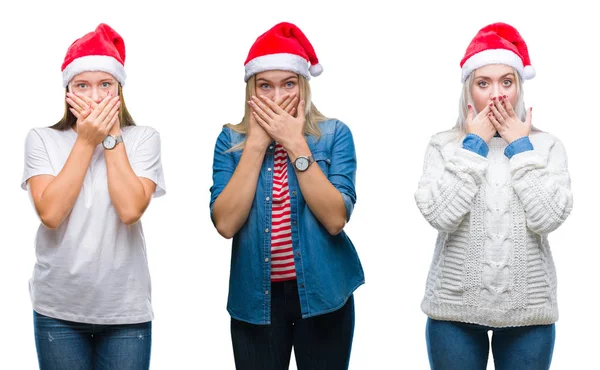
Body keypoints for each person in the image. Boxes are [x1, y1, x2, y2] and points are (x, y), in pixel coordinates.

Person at [414, 22, 573, 370]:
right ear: (469, 91)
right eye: (483, 83)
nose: (497, 94)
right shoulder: (444, 145)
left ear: (519, 87)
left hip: (528, 314)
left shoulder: (546, 147)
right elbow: (440, 215)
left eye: (507, 82)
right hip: (454, 312)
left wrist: (520, 147)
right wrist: (474, 144)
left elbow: (548, 218)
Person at [209, 22, 364, 370]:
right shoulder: (229, 143)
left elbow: (336, 219)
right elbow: (226, 223)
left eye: (288, 84)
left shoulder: (334, 134)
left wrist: (295, 143)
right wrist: (257, 144)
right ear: (252, 90)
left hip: (325, 294)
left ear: (304, 87)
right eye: (265, 86)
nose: (277, 97)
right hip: (256, 300)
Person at [22, 23, 165, 370]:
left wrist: (110, 134)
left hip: (125, 311)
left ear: (119, 90)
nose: (96, 96)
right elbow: (51, 213)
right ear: (68, 90)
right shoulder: (41, 139)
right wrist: (86, 141)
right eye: (82, 86)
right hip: (58, 310)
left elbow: (131, 209)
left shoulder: (143, 138)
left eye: (105, 85)